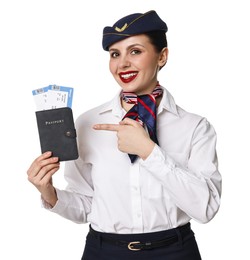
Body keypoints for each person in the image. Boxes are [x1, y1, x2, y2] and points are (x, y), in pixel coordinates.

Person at [27, 10, 222, 260]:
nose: (122, 64)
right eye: (115, 54)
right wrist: (49, 193)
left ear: (162, 56)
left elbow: (206, 209)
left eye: (135, 51)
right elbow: (87, 205)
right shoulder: (88, 123)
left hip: (174, 251)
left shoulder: (195, 127)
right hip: (103, 251)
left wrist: (149, 152)